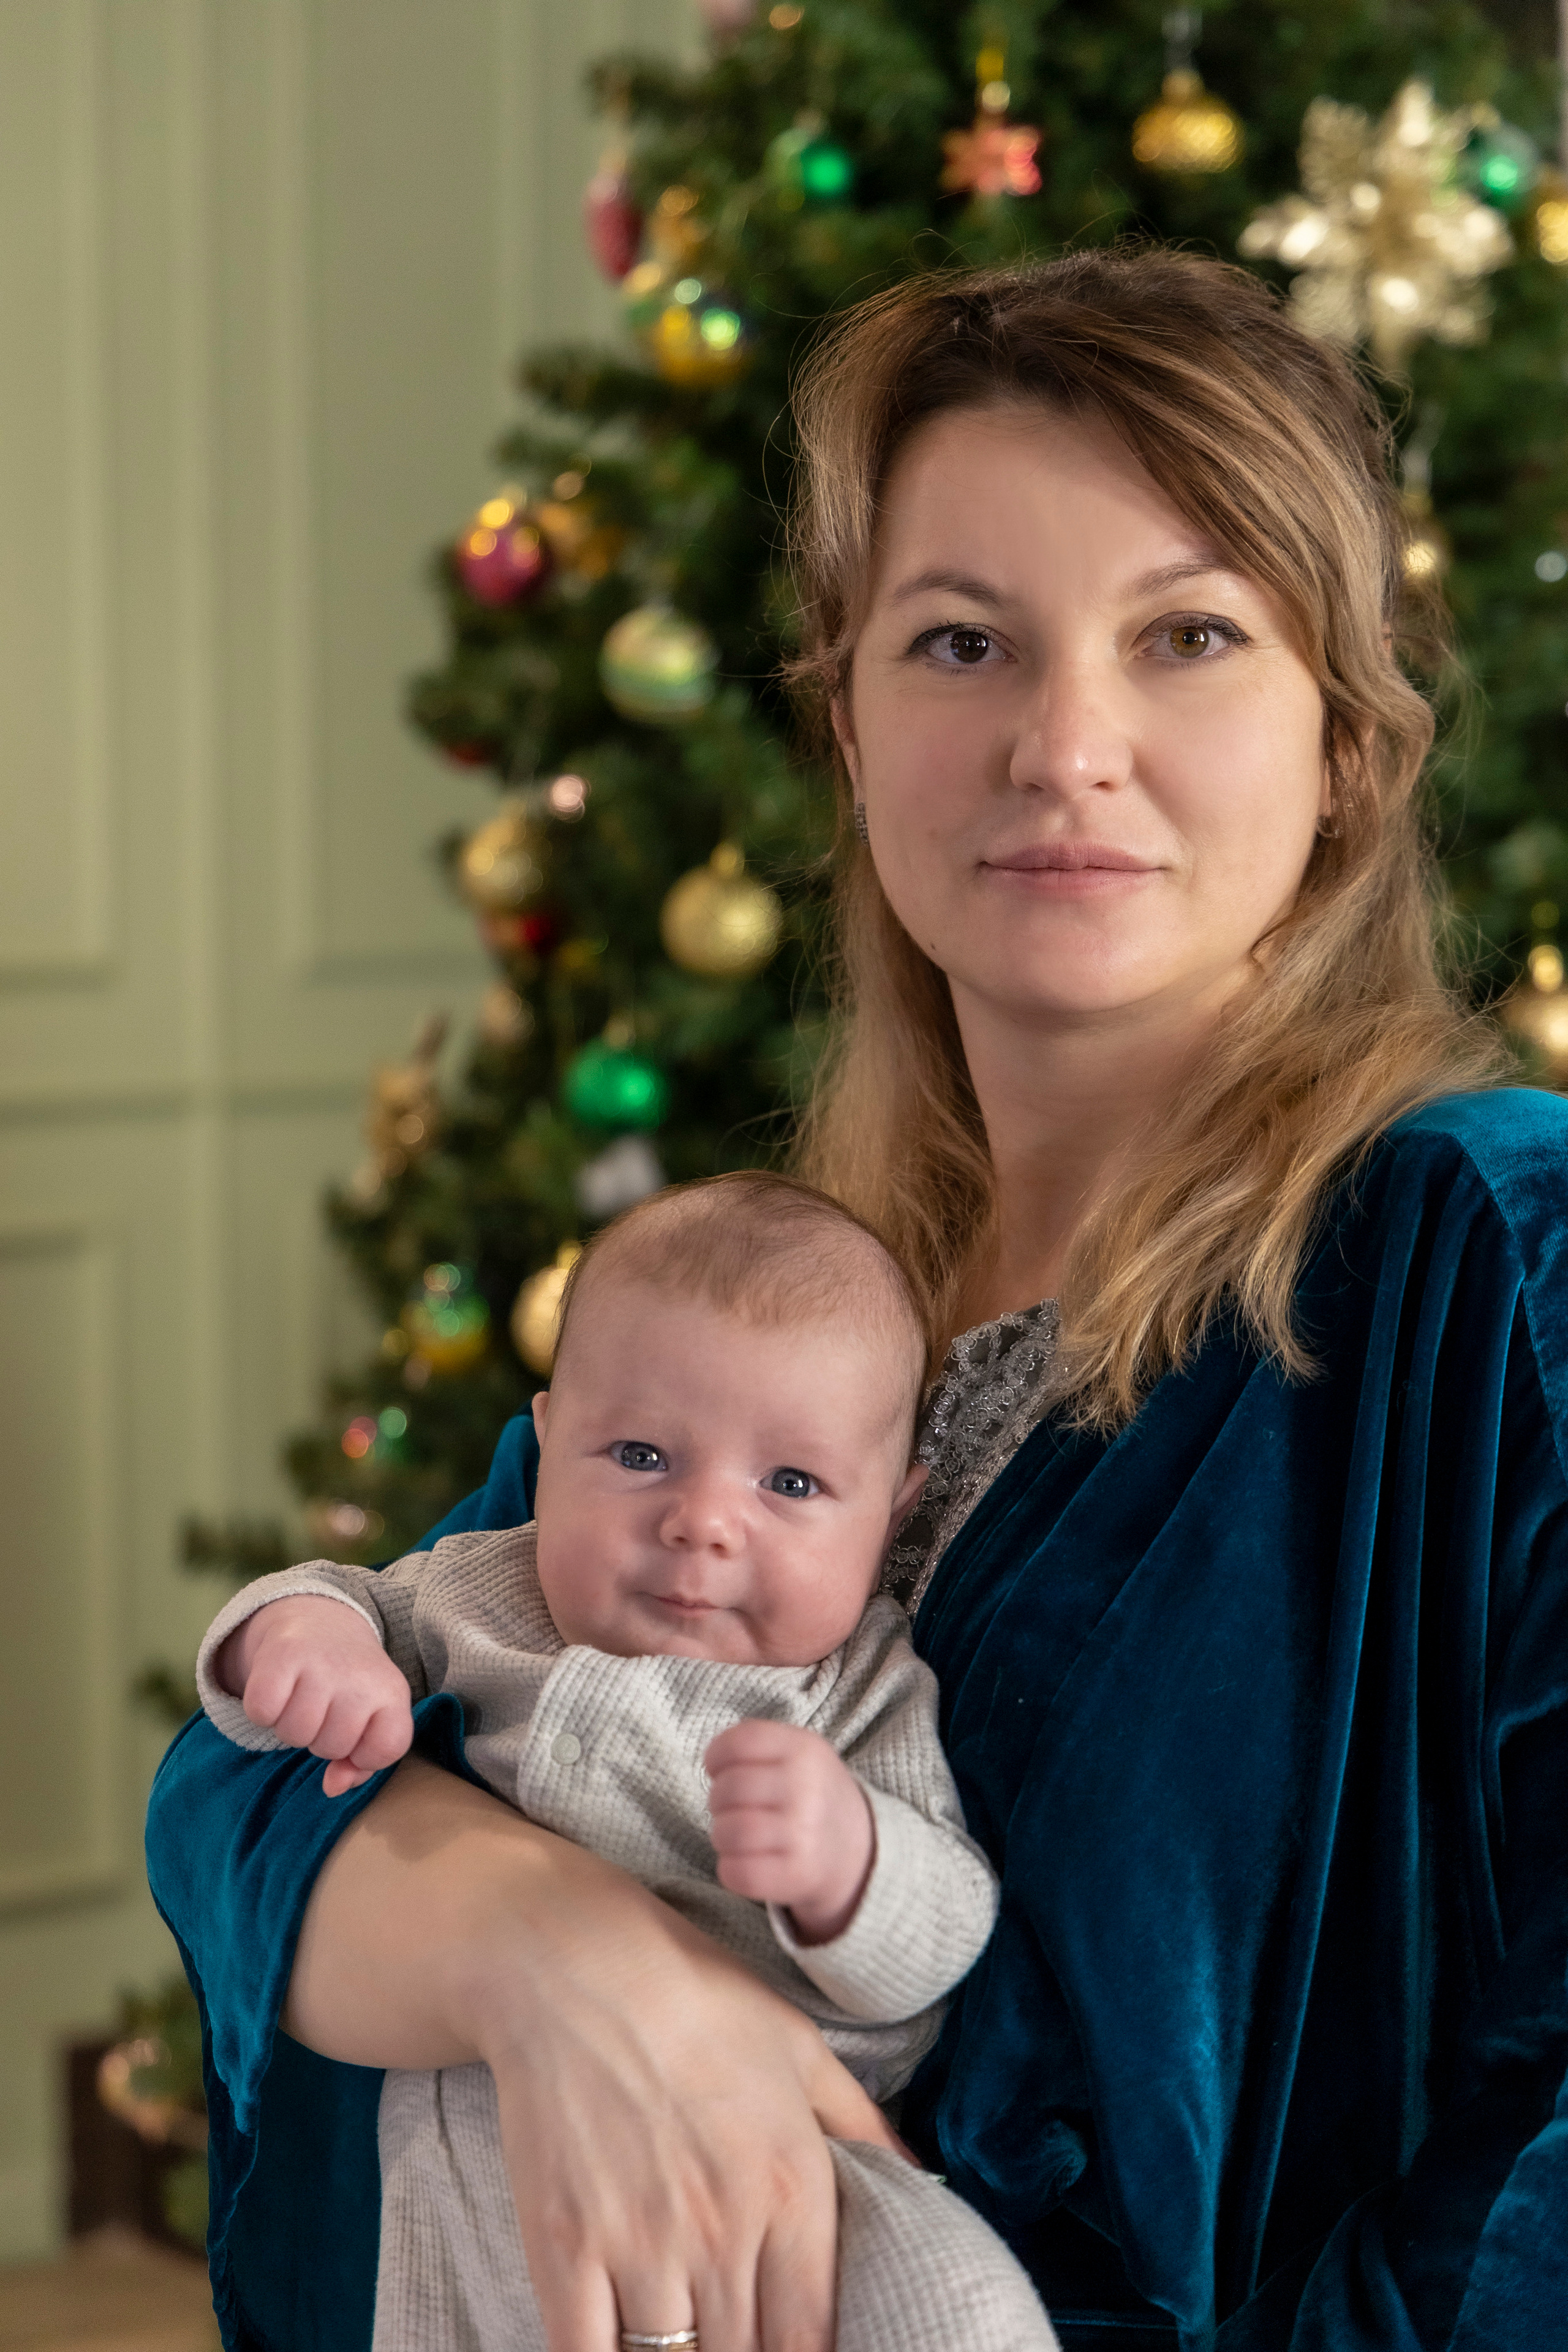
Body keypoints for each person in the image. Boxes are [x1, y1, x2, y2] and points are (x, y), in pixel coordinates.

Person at [147, 246, 1568, 2352]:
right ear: (848, 720)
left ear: (1348, 747)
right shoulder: (790, 1291)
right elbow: (256, 1780)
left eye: (1188, 637)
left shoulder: (1493, 1250)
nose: (1066, 745)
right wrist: (569, 1960)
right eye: (962, 641)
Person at [190, 1173, 1057, 2352]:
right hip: (468, 2186)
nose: (702, 1521)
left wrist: (851, 1864)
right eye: (642, 1454)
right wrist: (301, 1639)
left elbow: (947, 1928)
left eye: (791, 1484)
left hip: (796, 2175)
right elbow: (325, 1604)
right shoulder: (481, 1591)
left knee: (965, 2308)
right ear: (545, 1445)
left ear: (894, 1517)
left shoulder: (858, 1687)